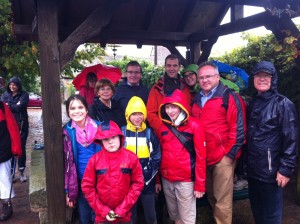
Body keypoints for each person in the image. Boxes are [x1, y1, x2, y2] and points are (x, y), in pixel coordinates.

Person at [191, 61, 246, 224]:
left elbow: (239, 129)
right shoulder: (197, 98)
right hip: (204, 156)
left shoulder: (229, 97)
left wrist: (229, 156)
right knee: (212, 196)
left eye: (208, 76)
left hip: (223, 157)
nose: (204, 80)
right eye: (201, 77)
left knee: (222, 200)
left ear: (217, 76)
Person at [247, 61, 298, 224]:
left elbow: (291, 138)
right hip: (253, 172)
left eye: (266, 76)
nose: (262, 79)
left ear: (273, 79)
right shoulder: (253, 103)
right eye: (258, 75)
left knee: (271, 216)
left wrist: (286, 169)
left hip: (271, 172)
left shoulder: (283, 104)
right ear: (253, 79)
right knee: (258, 212)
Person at [157, 89, 206, 224]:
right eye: (167, 107)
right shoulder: (163, 128)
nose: (170, 111)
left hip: (185, 180)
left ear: (181, 106)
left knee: (187, 219)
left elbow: (201, 156)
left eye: (174, 107)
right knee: (174, 216)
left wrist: (200, 185)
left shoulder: (195, 125)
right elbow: (159, 155)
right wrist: (157, 180)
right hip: (167, 179)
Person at [81, 120, 144, 224]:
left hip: (126, 215)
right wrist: (103, 211)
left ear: (120, 137)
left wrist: (122, 209)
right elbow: (87, 187)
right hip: (102, 217)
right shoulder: (94, 160)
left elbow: (138, 183)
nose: (110, 141)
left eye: (113, 137)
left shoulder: (131, 158)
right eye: (106, 139)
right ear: (100, 141)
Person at [122, 96, 161, 224]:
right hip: (128, 183)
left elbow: (156, 156)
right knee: (129, 216)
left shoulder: (149, 133)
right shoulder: (122, 133)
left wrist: (147, 175)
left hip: (147, 182)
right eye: (134, 114)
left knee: (150, 215)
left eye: (140, 114)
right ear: (128, 115)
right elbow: (117, 157)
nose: (137, 117)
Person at [63, 94, 102, 224]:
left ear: (86, 109)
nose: (77, 111)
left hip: (100, 179)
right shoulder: (66, 132)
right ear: (68, 112)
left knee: (100, 216)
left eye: (80, 107)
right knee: (85, 217)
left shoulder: (100, 127)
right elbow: (66, 164)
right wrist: (68, 190)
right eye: (72, 108)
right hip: (81, 181)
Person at [147, 54, 191, 135]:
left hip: (183, 133)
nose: (171, 68)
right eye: (169, 65)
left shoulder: (185, 87)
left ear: (179, 67)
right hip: (163, 133)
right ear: (165, 66)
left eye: (174, 65)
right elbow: (150, 113)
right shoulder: (157, 88)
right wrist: (163, 129)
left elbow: (189, 109)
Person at [1, 76, 29, 183]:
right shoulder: (5, 95)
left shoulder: (24, 95)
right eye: (10, 84)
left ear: (18, 85)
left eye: (15, 84)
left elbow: (21, 106)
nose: (12, 86)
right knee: (10, 148)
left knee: (21, 147)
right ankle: (11, 174)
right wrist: (14, 106)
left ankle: (21, 172)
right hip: (8, 127)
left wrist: (9, 106)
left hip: (22, 126)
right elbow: (4, 107)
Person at [0, 101, 22, 221]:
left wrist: (16, 148)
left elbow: (13, 128)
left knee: (4, 179)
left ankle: (6, 205)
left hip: (2, 150)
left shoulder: (2, 107)